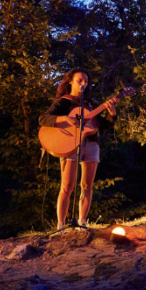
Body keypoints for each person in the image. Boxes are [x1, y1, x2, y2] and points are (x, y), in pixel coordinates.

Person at [39, 68, 116, 230]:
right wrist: (65, 119)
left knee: (87, 185)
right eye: (80, 80)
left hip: (91, 144)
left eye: (86, 81)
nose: (83, 84)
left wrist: (112, 113)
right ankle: (60, 225)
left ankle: (83, 222)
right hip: (69, 142)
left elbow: (102, 125)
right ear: (70, 81)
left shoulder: (91, 104)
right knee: (67, 186)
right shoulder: (63, 102)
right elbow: (43, 118)